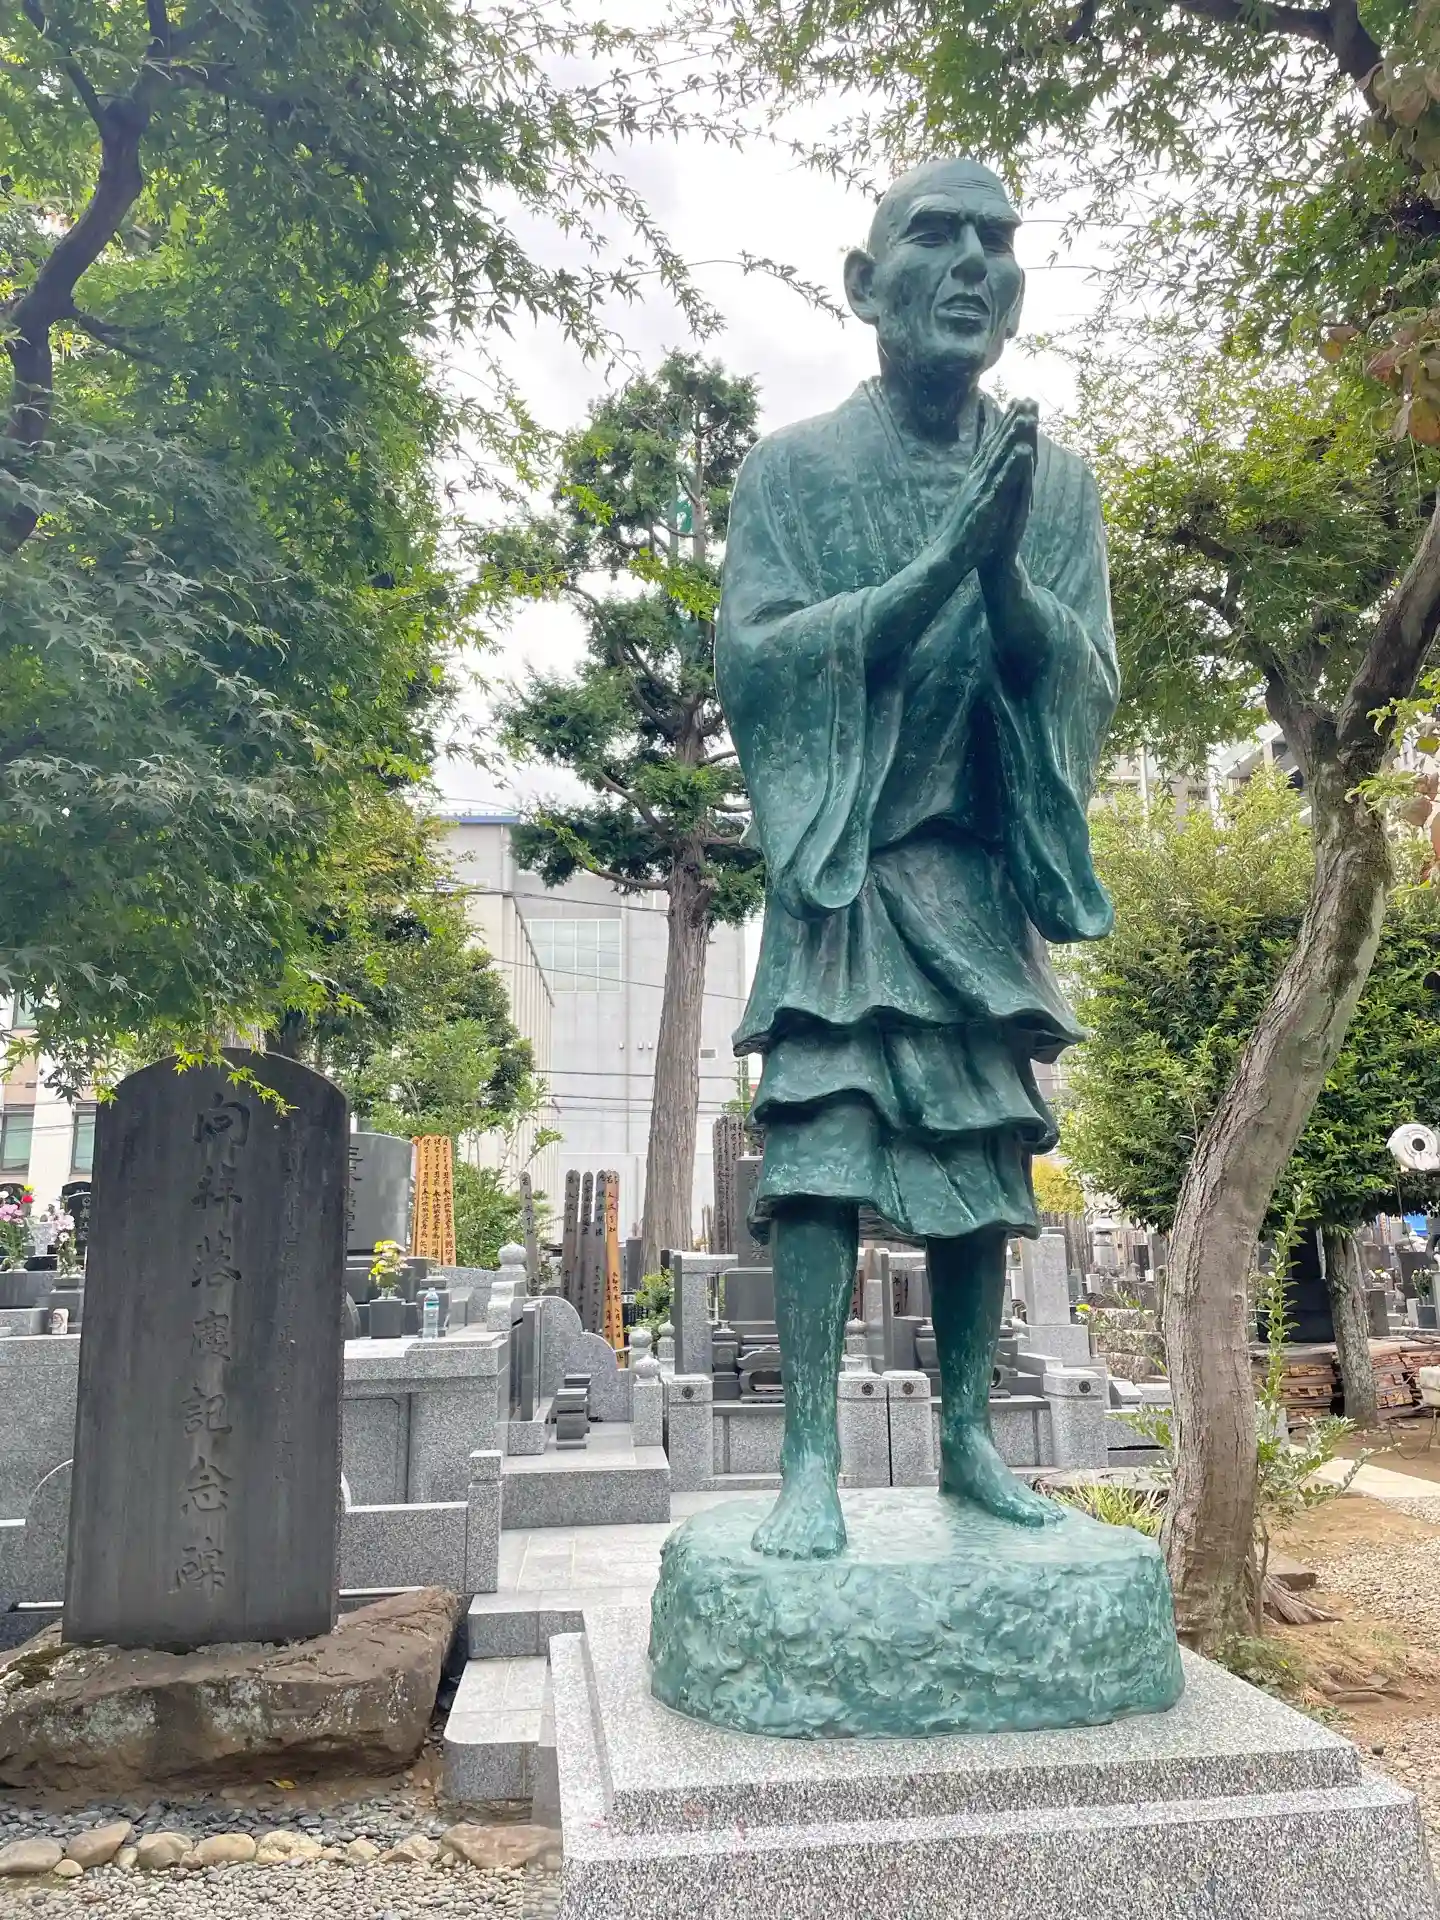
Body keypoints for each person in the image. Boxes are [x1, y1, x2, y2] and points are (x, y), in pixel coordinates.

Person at [716, 157, 1119, 1559]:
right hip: (847, 860)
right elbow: (762, 662)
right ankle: (807, 1458)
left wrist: (1003, 572)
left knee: (980, 1157)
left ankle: (967, 1437)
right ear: (863, 281)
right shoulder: (794, 471)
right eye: (933, 237)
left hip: (974, 868)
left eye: (994, 243)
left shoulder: (1056, 488)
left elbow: (1084, 682)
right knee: (822, 1141)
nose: (968, 266)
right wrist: (934, 568)